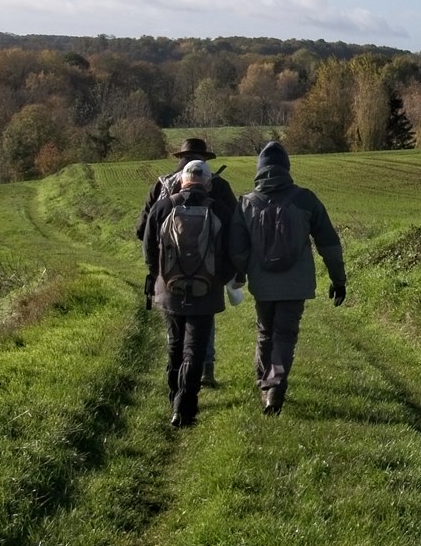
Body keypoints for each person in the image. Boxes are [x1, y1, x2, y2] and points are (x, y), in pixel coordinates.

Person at [235, 140, 346, 415]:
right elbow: (329, 244)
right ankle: (275, 386)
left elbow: (237, 248)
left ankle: (265, 385)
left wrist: (238, 275)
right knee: (285, 333)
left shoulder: (247, 203)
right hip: (296, 283)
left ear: (259, 170)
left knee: (265, 332)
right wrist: (338, 279)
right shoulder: (306, 199)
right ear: (287, 169)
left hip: (262, 284)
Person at [142, 159, 238, 426]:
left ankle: (174, 397)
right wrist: (222, 278)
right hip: (206, 291)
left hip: (170, 289)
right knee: (194, 350)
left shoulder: (162, 207)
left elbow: (148, 249)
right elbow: (233, 250)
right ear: (207, 183)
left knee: (174, 345)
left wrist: (159, 275)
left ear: (182, 180)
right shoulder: (219, 210)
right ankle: (185, 408)